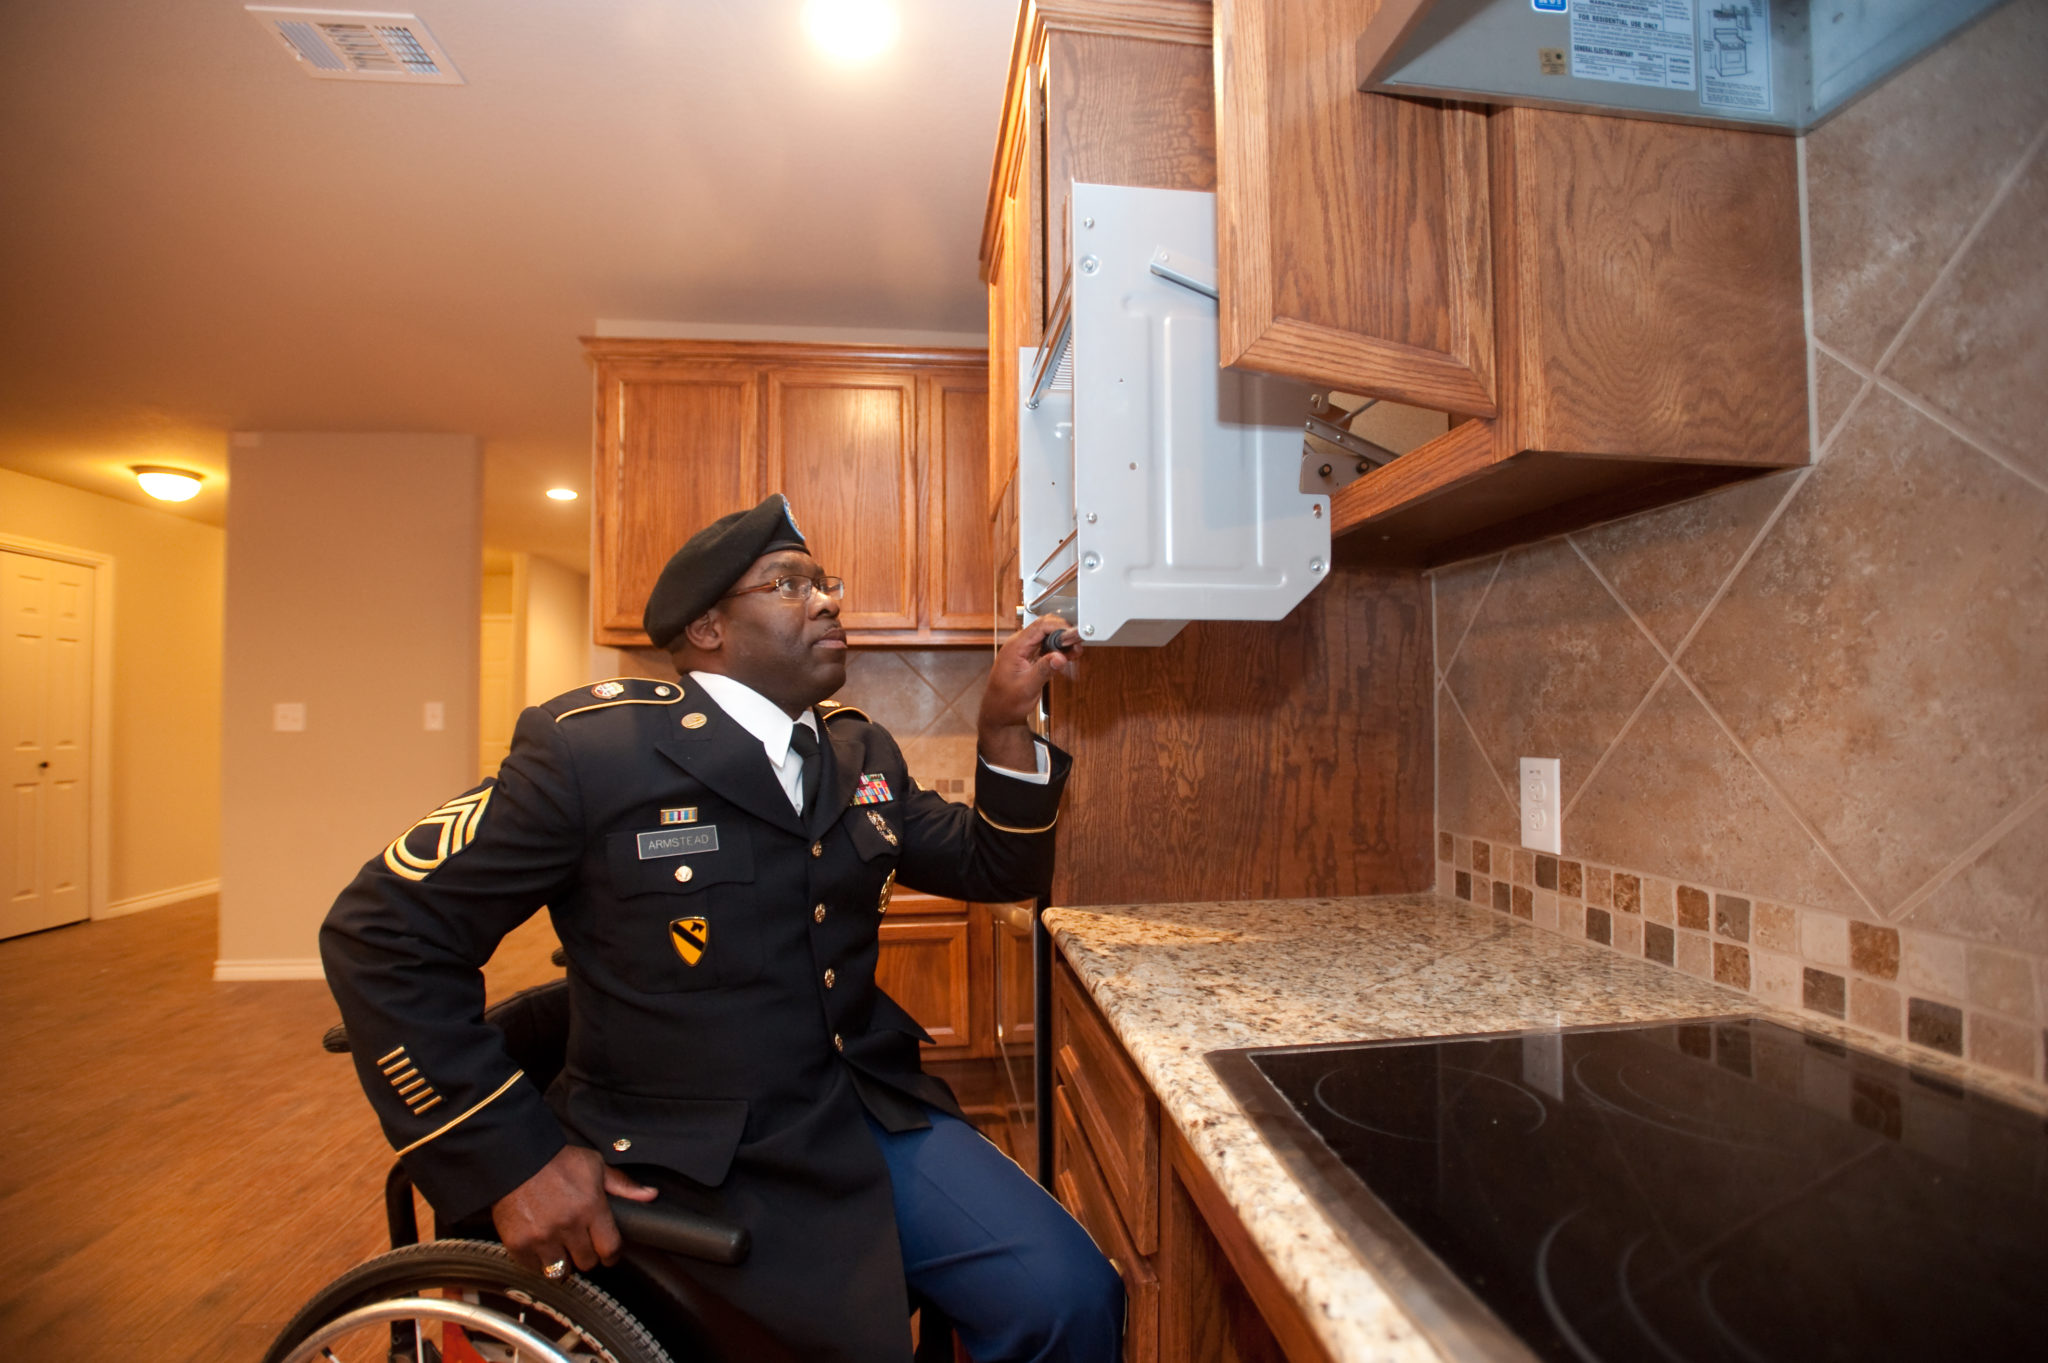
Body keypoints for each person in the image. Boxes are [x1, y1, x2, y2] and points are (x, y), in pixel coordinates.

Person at [320, 493, 1122, 1362]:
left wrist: (1002, 724)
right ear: (708, 628)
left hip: (863, 1112)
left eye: (826, 582)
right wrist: (511, 1158)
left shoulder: (859, 753)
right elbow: (383, 929)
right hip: (683, 1158)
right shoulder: (592, 752)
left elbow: (995, 867)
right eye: (790, 584)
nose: (828, 600)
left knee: (1069, 1295)